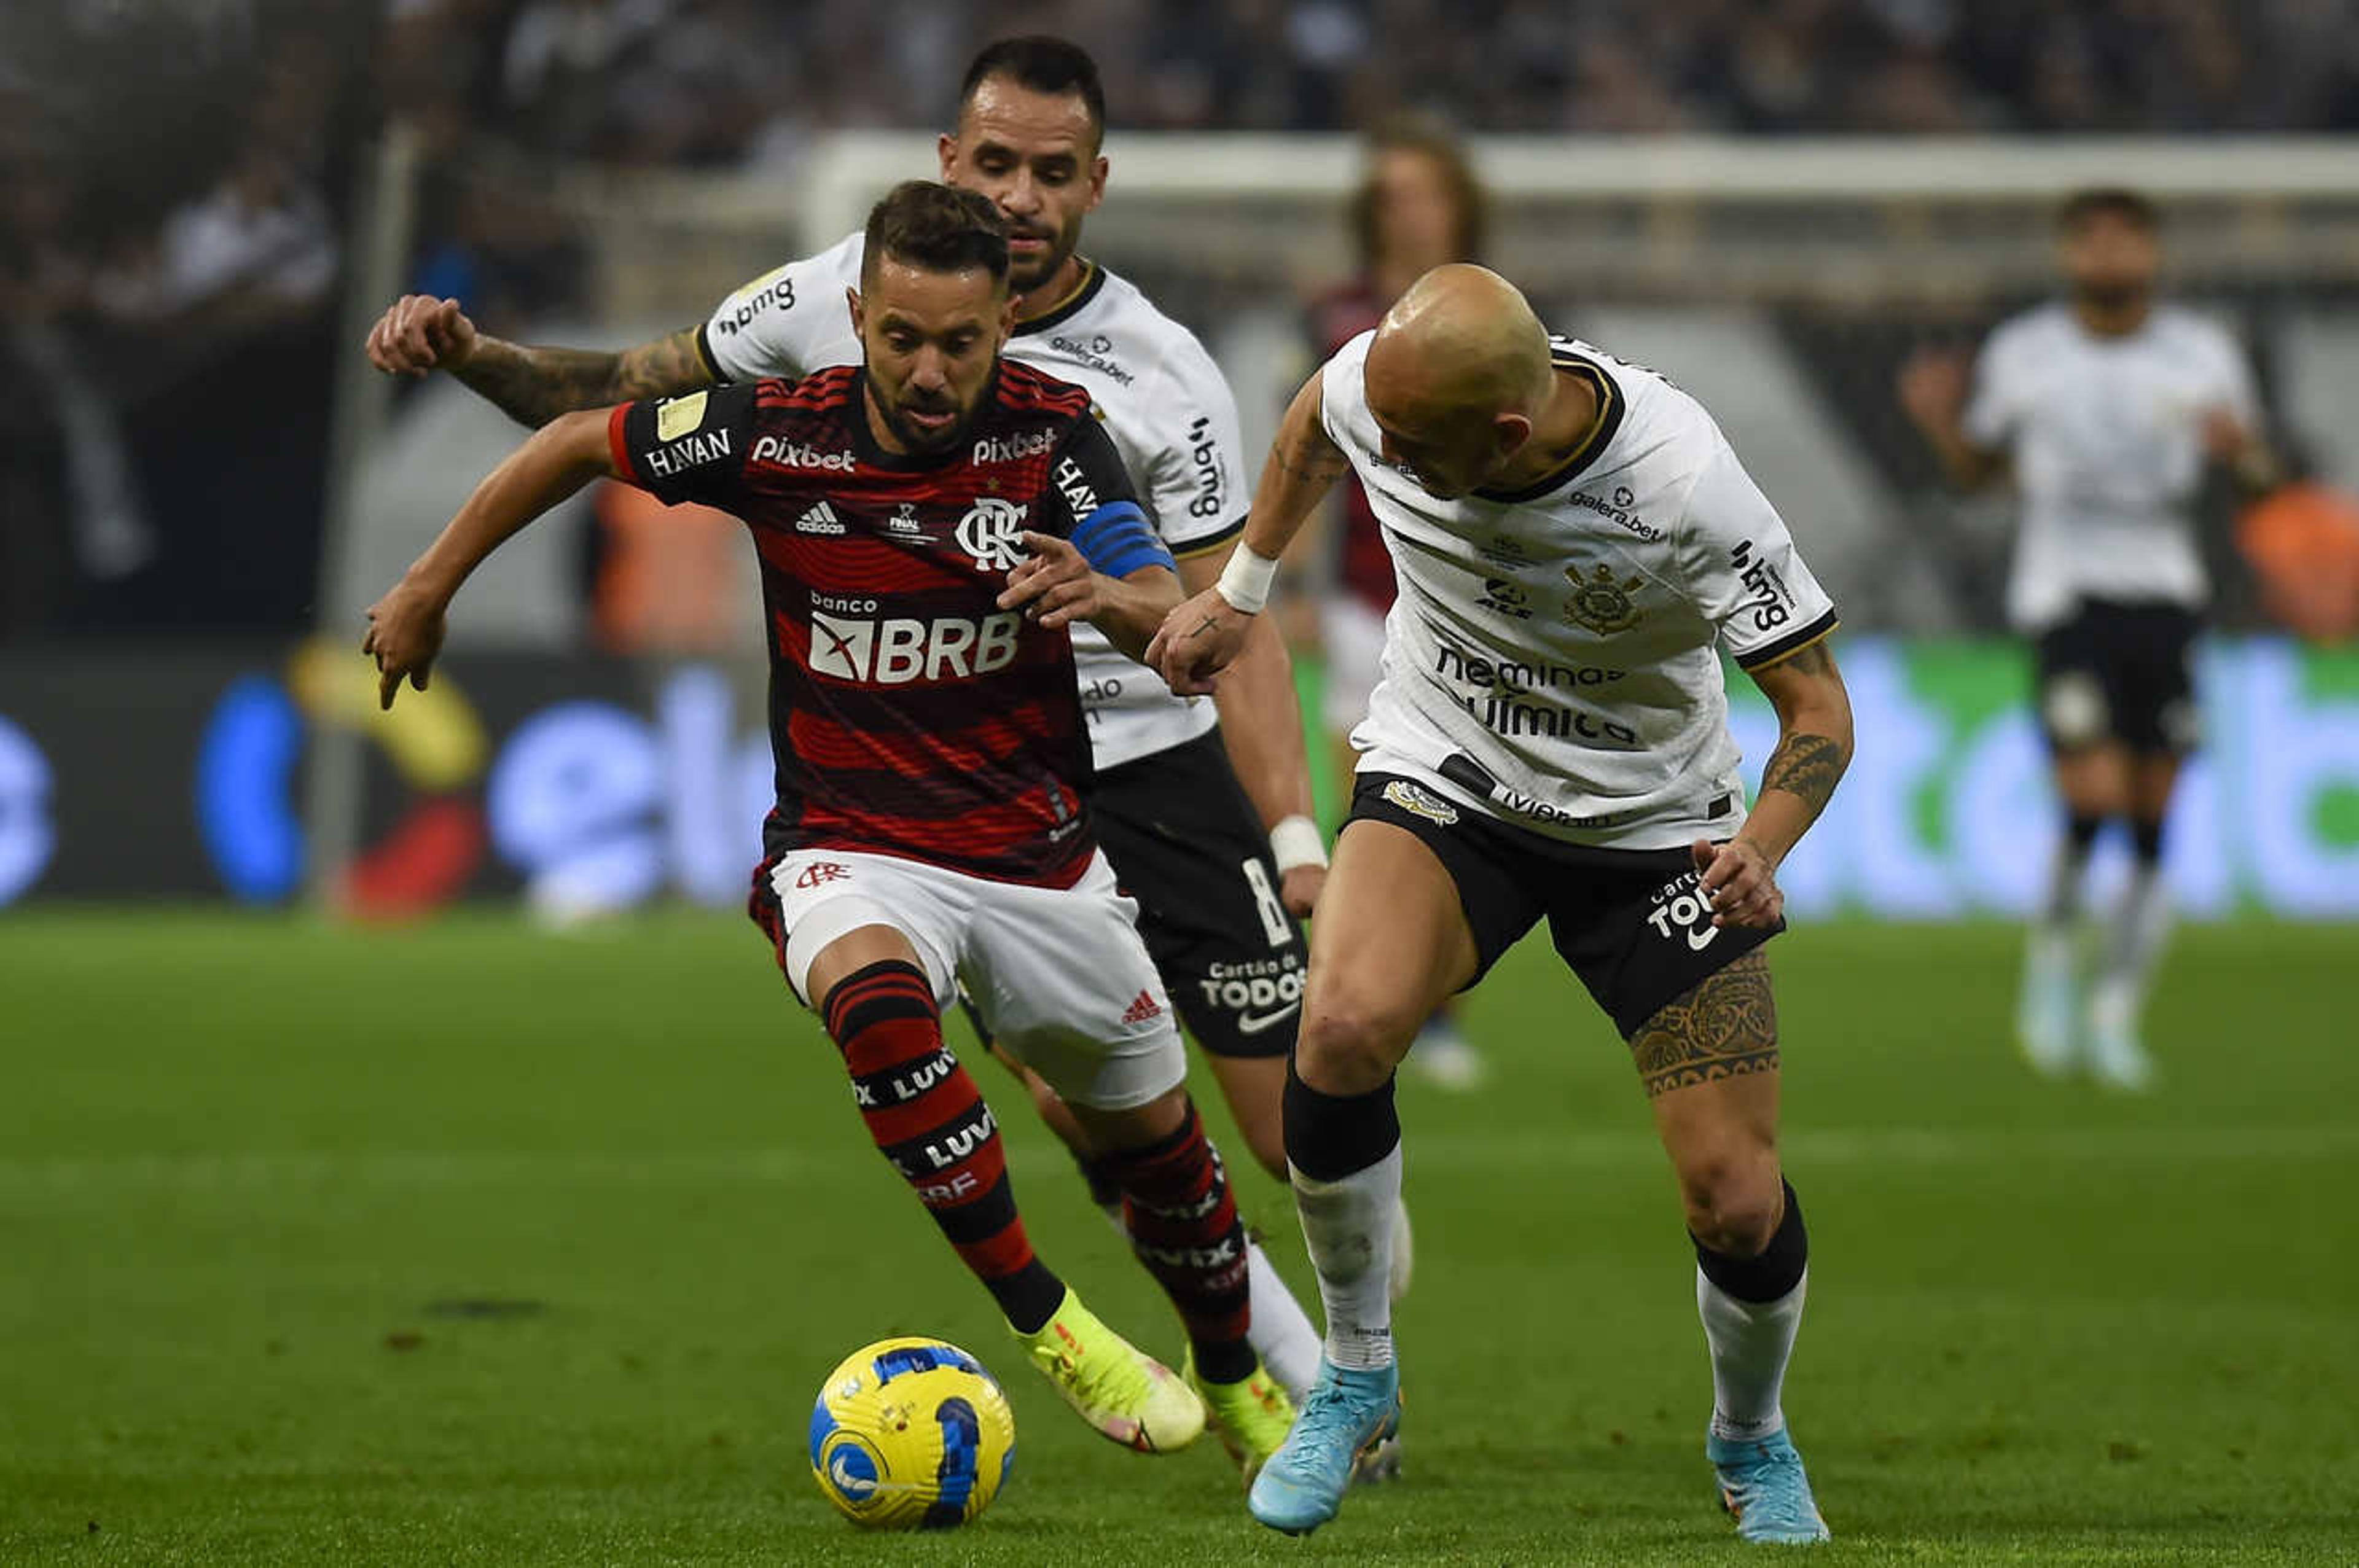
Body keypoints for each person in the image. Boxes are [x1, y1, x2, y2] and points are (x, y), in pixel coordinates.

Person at [362, 35, 1334, 1413]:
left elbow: (1184, 626)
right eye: (900, 338)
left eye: (959, 343)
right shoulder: (777, 412)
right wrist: (429, 575)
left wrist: (1106, 600)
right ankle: (1056, 1325)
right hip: (855, 838)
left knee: (1183, 1143)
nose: (929, 372)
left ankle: (1251, 1373)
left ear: (1008, 323)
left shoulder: (1079, 424)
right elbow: (591, 427)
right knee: (879, 1009)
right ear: (860, 315)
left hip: (1053, 835)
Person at [1149, 264, 1852, 1543]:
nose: (1397, 464)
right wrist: (1240, 595)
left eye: (1422, 451)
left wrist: (1764, 840)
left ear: (1511, 435)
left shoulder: (1684, 484)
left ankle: (1752, 1434)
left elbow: (1818, 706)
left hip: (1656, 832)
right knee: (1344, 1025)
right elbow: (1318, 414)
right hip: (1447, 775)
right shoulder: (1388, 388)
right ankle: (1357, 1373)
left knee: (1736, 1199)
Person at [1897, 187, 2275, 1091]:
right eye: (2091, 241)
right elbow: (1979, 471)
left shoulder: (2204, 353)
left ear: (2150, 254)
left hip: (2166, 596)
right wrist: (1942, 424)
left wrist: (2243, 456)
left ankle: (2116, 1013)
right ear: (2070, 256)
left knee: (2153, 816)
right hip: (2065, 595)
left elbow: (2262, 477)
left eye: (2124, 240)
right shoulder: (2027, 352)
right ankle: (2054, 964)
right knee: (2093, 795)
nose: (2108, 257)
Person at [1302, 113, 1491, 1094]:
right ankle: (1354, 1000)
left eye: (1426, 192)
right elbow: (1306, 455)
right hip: (1359, 599)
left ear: (1460, 207)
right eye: (1393, 195)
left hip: (1466, 604)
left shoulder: (1504, 322)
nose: (1408, 212)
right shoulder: (1335, 315)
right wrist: (1282, 579)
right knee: (1369, 813)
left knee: (1457, 816)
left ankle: (1441, 1011)